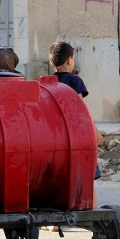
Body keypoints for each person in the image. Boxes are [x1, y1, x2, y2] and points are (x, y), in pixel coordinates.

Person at [49, 41, 104, 209]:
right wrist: (95, 133)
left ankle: (54, 222)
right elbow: (81, 112)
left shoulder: (47, 82)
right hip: (75, 135)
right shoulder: (75, 81)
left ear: (53, 62)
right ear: (70, 59)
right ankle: (94, 211)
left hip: (55, 136)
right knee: (88, 174)